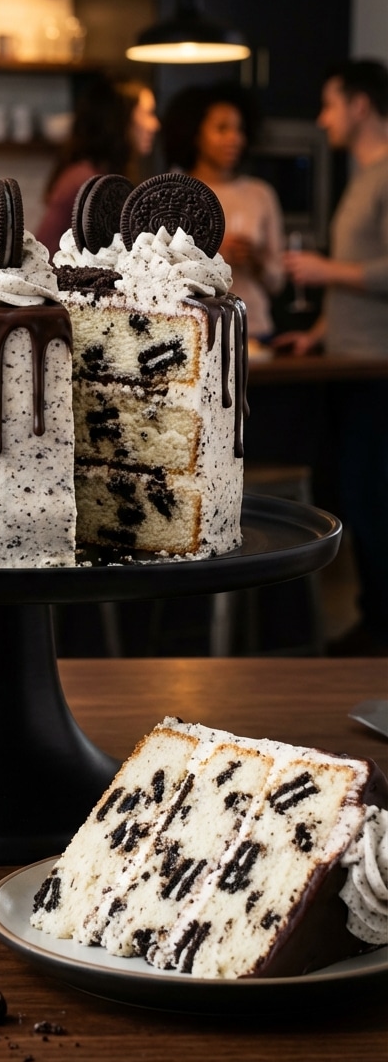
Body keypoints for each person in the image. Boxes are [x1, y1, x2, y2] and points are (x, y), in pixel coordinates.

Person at [275, 58, 388, 655]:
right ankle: (374, 620)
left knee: (374, 498)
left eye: (330, 104)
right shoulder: (364, 174)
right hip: (349, 358)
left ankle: (381, 629)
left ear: (360, 105)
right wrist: (319, 329)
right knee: (359, 492)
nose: (323, 119)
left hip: (377, 367)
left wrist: (324, 271)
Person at [162, 84, 285, 340]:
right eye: (222, 129)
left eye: (239, 129)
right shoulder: (174, 194)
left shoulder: (260, 194)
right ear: (195, 134)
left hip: (254, 329)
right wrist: (211, 257)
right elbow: (158, 277)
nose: (235, 139)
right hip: (194, 332)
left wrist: (257, 261)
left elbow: (278, 282)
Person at [36, 78, 158, 257]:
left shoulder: (93, 175)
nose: (154, 124)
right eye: (147, 113)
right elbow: (44, 253)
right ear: (119, 119)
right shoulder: (85, 181)